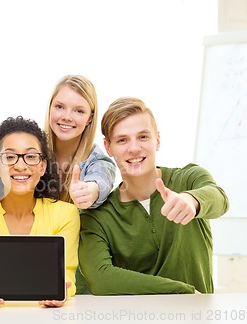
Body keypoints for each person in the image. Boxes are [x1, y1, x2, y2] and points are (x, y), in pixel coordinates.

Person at [78, 97, 230, 295]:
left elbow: (219, 199)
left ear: (157, 140)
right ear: (108, 148)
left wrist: (191, 200)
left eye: (142, 137)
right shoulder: (97, 216)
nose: (133, 148)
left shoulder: (189, 179)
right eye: (122, 140)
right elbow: (100, 279)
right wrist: (183, 291)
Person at [0, 116, 80, 308]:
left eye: (31, 156)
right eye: (9, 157)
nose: (20, 165)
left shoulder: (65, 214)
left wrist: (63, 289)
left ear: (43, 166)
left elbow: (66, 274)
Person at [44, 75, 116, 209]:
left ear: (90, 118)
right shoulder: (30, 151)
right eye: (59, 107)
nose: (66, 117)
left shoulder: (97, 161)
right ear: (50, 108)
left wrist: (90, 191)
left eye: (79, 111)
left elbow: (101, 178)